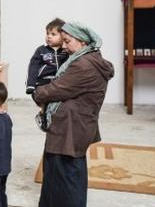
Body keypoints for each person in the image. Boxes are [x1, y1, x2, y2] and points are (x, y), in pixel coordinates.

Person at [32, 22, 114, 207]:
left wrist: (37, 93)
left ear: (83, 42)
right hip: (72, 127)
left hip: (70, 129)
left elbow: (56, 89)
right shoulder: (86, 59)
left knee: (67, 182)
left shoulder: (84, 65)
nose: (64, 46)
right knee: (59, 179)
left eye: (68, 41)